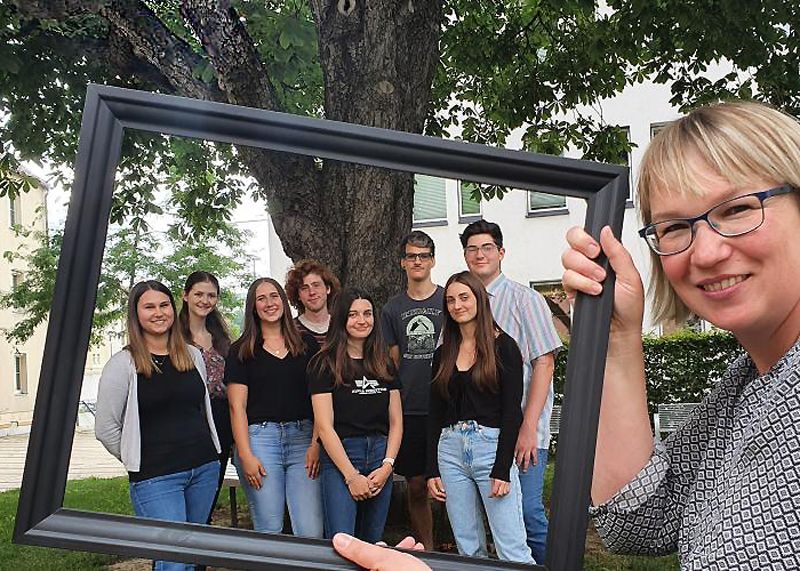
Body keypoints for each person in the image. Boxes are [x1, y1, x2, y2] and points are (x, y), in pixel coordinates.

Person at [561, 101, 800, 568]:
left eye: (736, 209)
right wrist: (616, 342)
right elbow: (636, 521)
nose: (706, 252)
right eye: (674, 227)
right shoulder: (747, 384)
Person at [95, 280, 220, 571]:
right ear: (136, 314)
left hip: (203, 468)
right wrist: (138, 458)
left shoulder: (192, 355)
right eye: (149, 306)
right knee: (174, 562)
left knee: (194, 558)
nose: (158, 312)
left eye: (164, 305)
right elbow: (106, 427)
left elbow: (200, 410)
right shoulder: (122, 363)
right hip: (156, 478)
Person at [460, 219, 562, 563]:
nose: (479, 254)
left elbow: (544, 364)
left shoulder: (525, 300)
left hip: (522, 430)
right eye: (472, 249)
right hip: (481, 436)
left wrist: (529, 428)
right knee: (495, 521)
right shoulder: (463, 306)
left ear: (501, 253)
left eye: (487, 247)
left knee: (528, 513)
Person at [425, 271, 534, 564]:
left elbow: (513, 411)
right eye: (450, 300)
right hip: (449, 452)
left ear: (479, 300)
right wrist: (431, 469)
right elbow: (435, 413)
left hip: (490, 448)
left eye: (464, 297)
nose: (457, 305)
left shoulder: (504, 347)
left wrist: (502, 469)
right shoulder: (443, 353)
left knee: (512, 549)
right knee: (468, 550)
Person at [225, 277, 323, 537]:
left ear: (283, 300)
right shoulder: (241, 351)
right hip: (261, 441)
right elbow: (237, 407)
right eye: (261, 298)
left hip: (304, 439)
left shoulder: (307, 345)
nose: (269, 303)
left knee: (311, 531)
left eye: (274, 296)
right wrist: (245, 456)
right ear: (253, 307)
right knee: (269, 528)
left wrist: (316, 444)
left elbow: (320, 401)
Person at [308, 288, 402, 543]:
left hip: (380, 458)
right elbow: (325, 427)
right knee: (343, 543)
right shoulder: (324, 364)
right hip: (342, 458)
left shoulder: (384, 362)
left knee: (373, 543)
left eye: (368, 314)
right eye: (353, 315)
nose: (362, 320)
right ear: (341, 319)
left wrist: (387, 466)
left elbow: (396, 421)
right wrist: (351, 476)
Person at [380, 231, 444, 550]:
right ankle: (428, 551)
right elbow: (392, 362)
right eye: (411, 256)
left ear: (432, 260)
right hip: (411, 408)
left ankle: (461, 547)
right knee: (417, 486)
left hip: (446, 407)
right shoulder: (392, 309)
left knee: (452, 482)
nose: (417, 261)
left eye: (423, 255)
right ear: (403, 262)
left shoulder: (449, 299)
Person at [178, 271, 233, 524]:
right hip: (188, 420)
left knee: (205, 504)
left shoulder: (222, 340)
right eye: (199, 294)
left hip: (221, 423)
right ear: (185, 295)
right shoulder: (174, 338)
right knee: (182, 503)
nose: (205, 300)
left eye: (211, 295)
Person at [285, 259, 341, 345]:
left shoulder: (342, 326)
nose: (312, 292)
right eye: (304, 288)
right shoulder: (290, 330)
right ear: (298, 296)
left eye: (316, 285)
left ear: (328, 288)